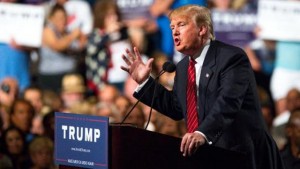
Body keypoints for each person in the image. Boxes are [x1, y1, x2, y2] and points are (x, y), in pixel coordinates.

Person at [121, 4, 284, 169]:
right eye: (172, 27)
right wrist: (145, 82)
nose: (174, 32)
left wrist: (202, 133)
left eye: (181, 25)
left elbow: (228, 102)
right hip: (207, 155)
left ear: (202, 29)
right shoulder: (184, 67)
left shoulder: (231, 57)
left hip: (242, 154)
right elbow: (176, 107)